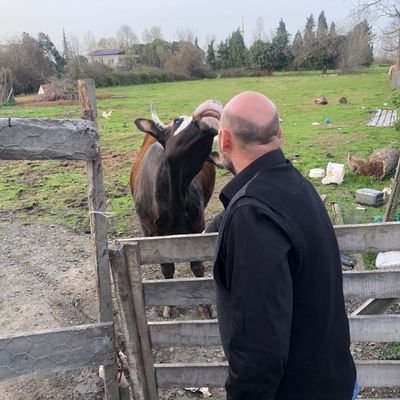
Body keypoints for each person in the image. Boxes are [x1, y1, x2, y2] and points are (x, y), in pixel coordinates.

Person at [207, 91, 357, 399]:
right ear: (279, 135)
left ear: (224, 141)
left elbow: (258, 352)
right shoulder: (298, 186)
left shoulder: (252, 214)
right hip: (336, 381)